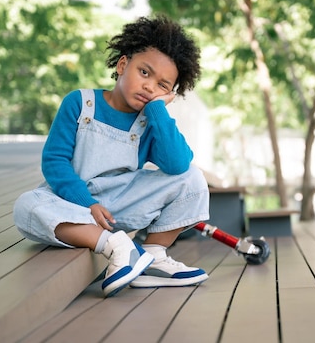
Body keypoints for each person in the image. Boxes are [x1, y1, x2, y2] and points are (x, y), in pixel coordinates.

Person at [13, 15, 210, 297]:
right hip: (72, 203)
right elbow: (54, 162)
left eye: (163, 85)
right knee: (26, 205)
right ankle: (117, 247)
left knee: (192, 178)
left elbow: (177, 164)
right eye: (145, 72)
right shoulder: (79, 103)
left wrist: (157, 111)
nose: (150, 86)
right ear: (122, 65)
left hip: (119, 206)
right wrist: (87, 203)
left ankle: (152, 256)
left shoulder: (151, 120)